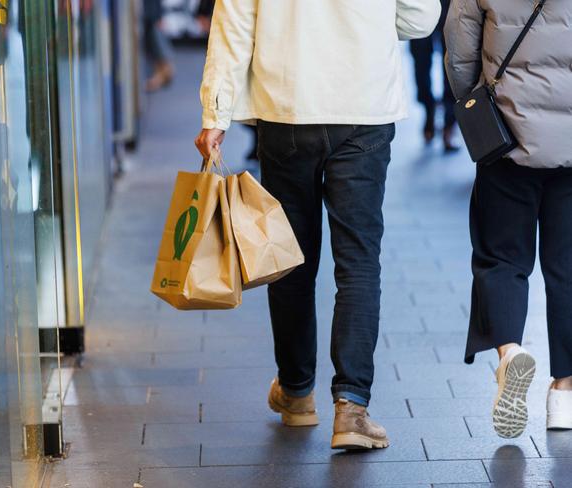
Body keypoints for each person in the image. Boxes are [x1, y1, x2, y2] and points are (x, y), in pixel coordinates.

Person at [195, 0, 440, 450]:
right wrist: (367, 29)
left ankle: (295, 393)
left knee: (288, 258)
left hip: (286, 106)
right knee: (359, 262)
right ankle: (351, 407)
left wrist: (216, 113)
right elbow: (423, 17)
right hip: (363, 108)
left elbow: (234, 21)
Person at [445, 0, 572, 438]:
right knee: (568, 269)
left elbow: (460, 51)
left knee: (501, 259)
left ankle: (508, 354)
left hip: (506, 140)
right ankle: (564, 396)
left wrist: (476, 107)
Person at [409, 0, 459, 151]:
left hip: (450, 5)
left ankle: (449, 123)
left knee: (451, 62)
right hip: (419, 6)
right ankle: (428, 110)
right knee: (421, 63)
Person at [143, 0, 175, 92]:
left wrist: (157, 16)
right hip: (151, 17)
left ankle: (158, 78)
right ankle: (159, 77)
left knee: (157, 44)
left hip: (151, 18)